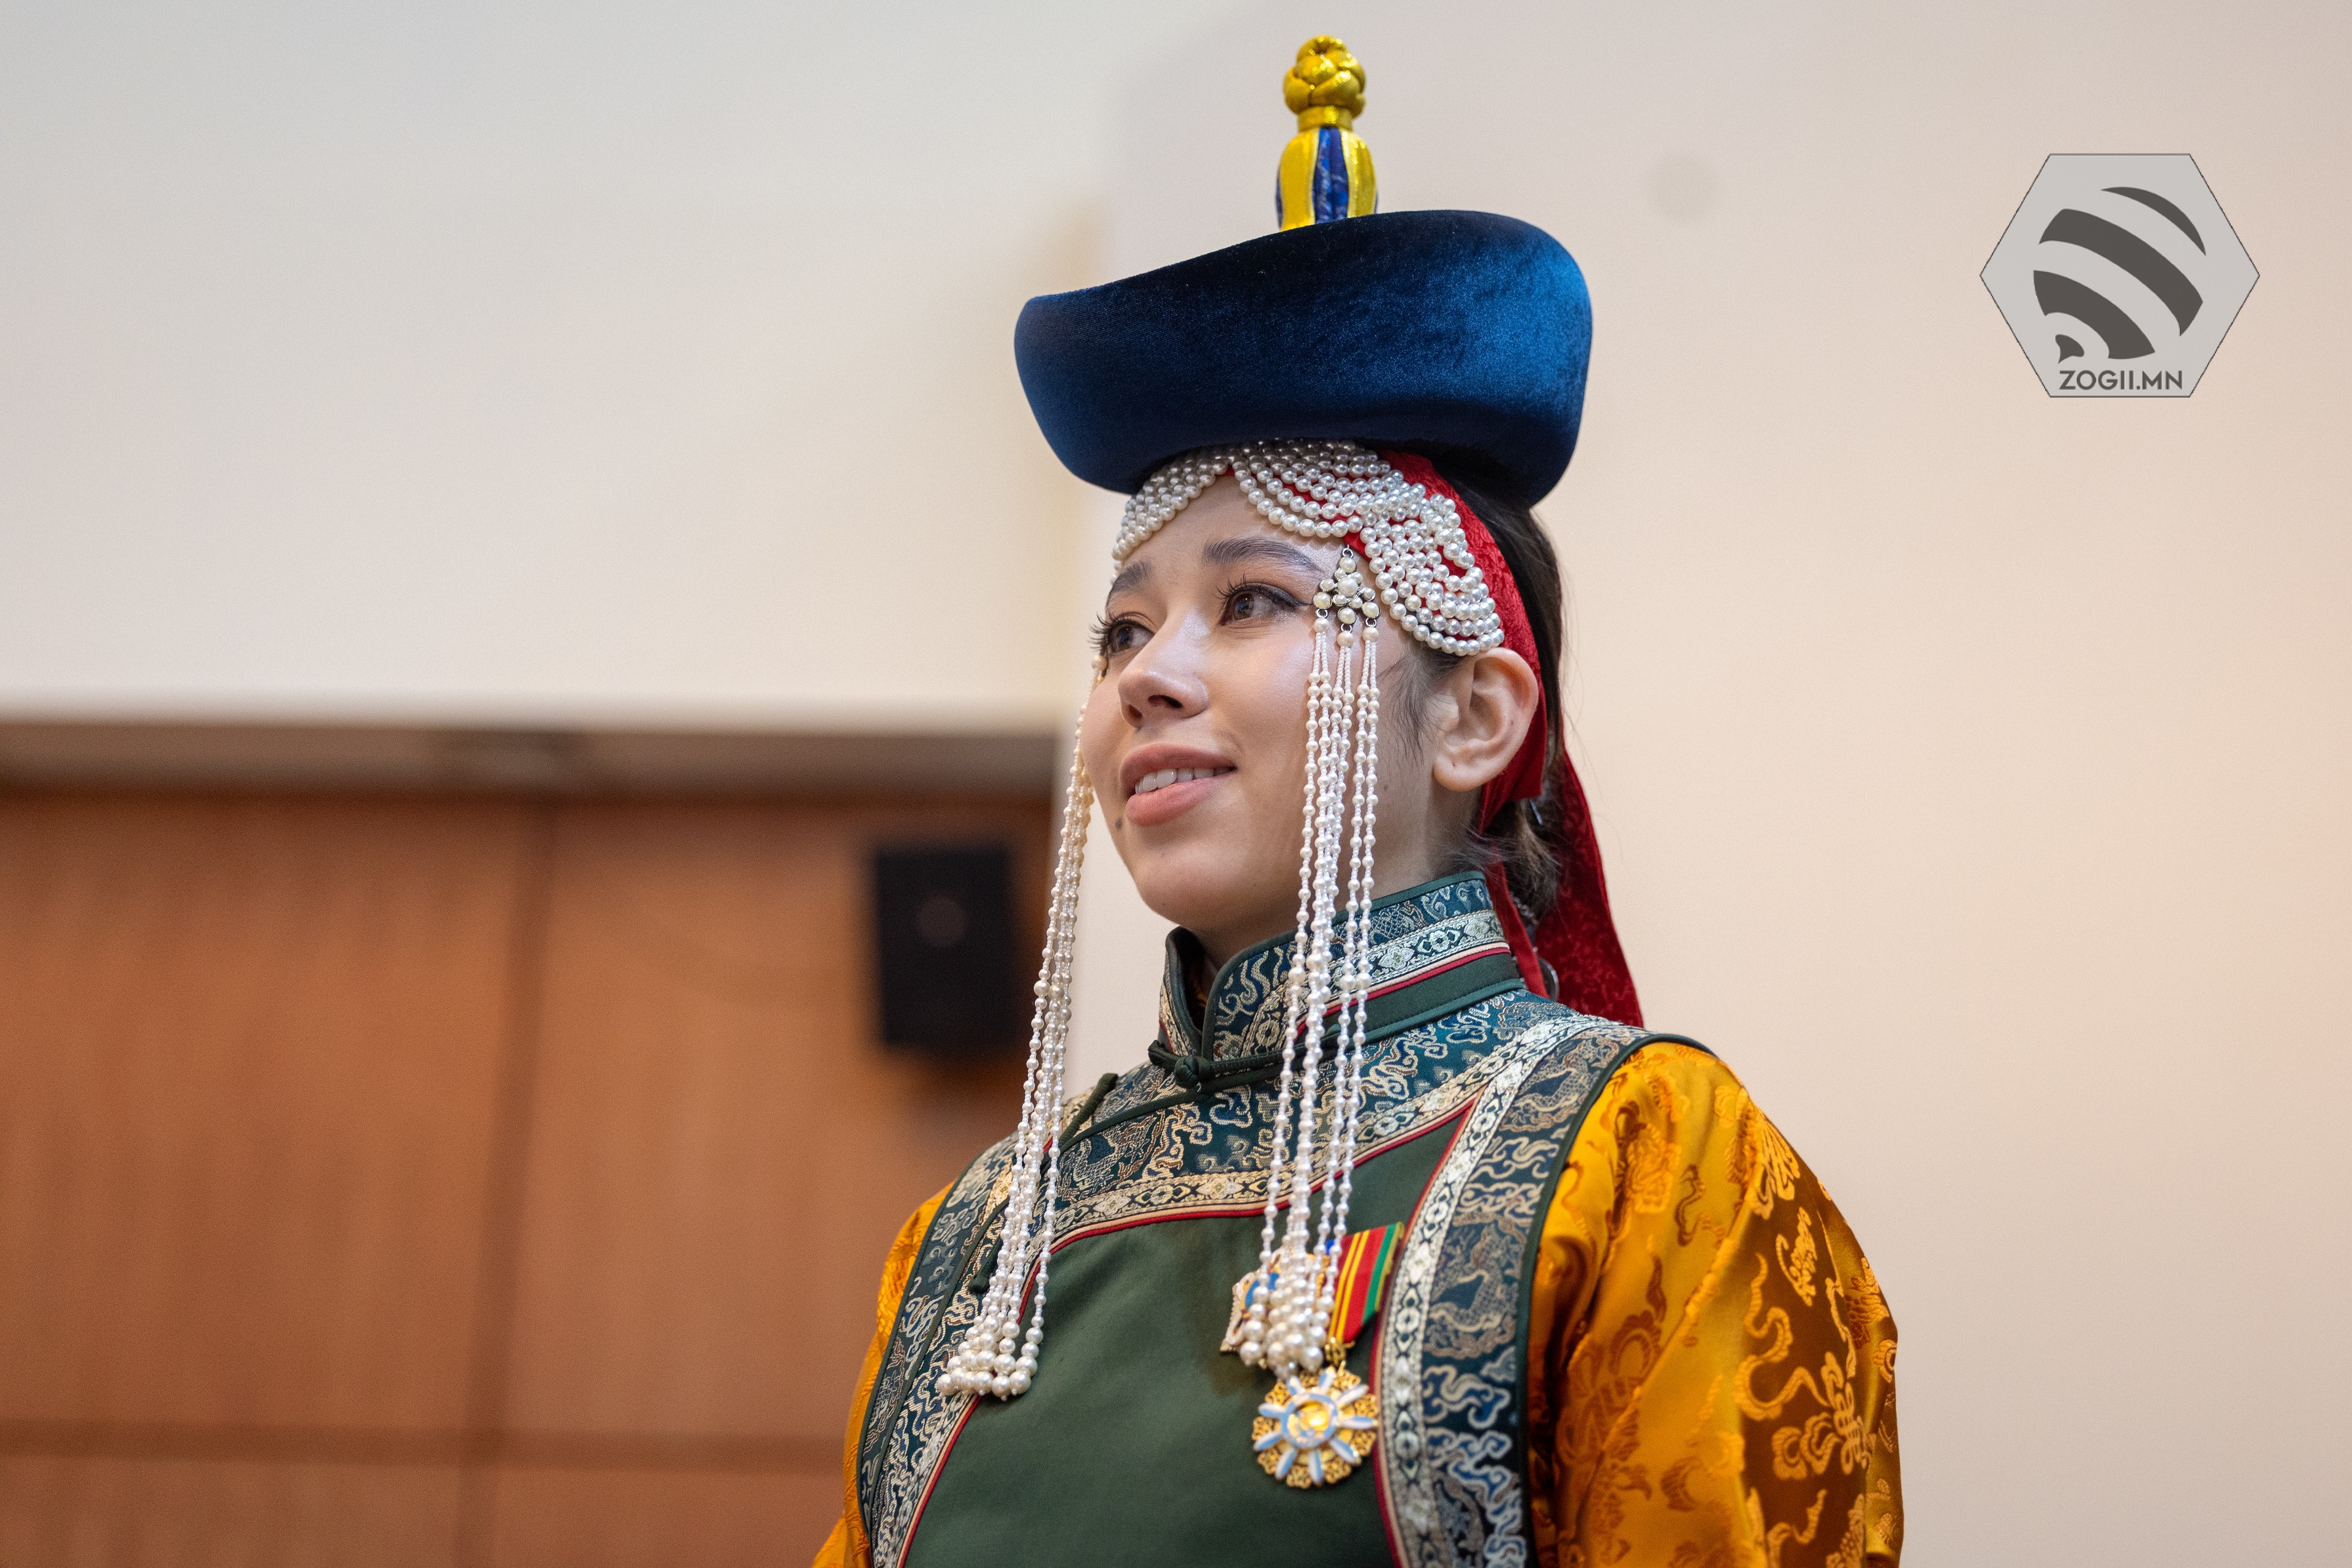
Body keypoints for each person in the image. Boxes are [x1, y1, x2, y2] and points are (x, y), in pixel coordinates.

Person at [816, 36, 1899, 1568]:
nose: (1149, 675)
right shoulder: (979, 1234)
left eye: (1254, 601)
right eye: (1122, 628)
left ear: (1473, 714)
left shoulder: (1639, 1165)